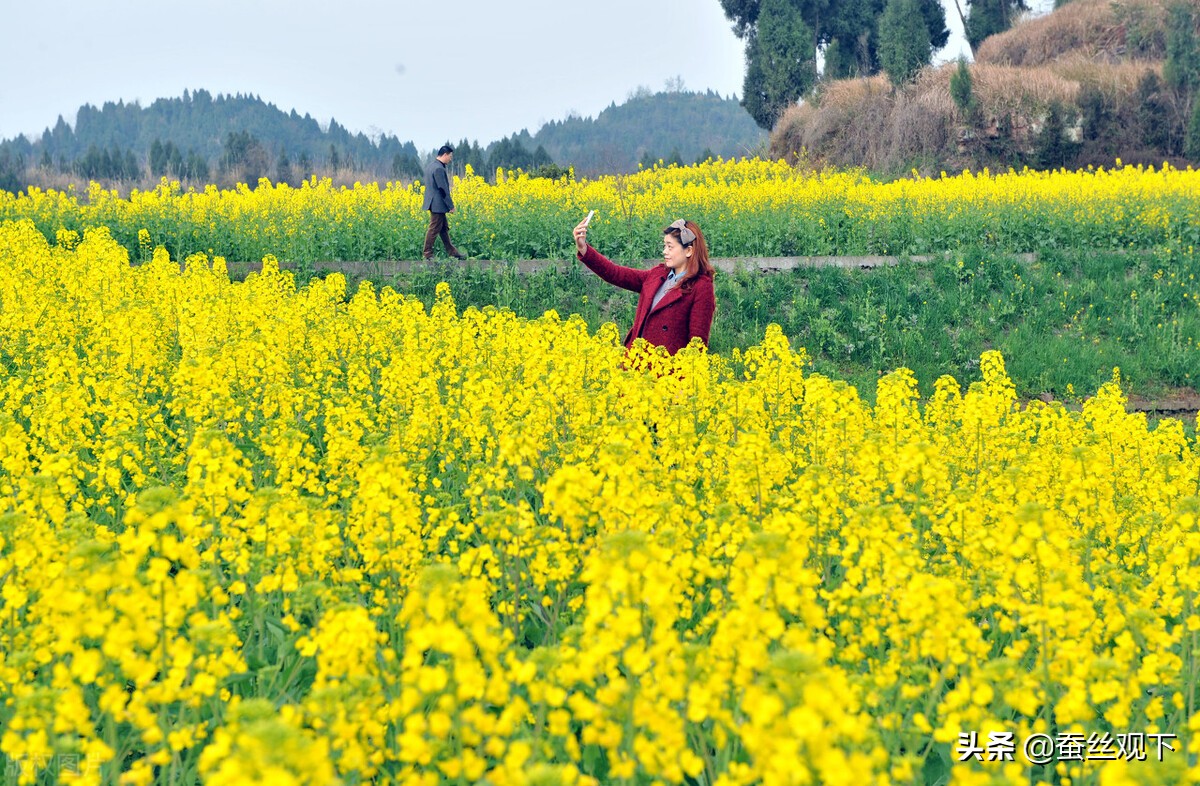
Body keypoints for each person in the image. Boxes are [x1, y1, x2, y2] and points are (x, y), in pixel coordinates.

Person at [572, 216, 716, 354]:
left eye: (670, 247)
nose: (664, 251)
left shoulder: (701, 287)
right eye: (664, 245)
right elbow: (615, 273)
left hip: (668, 374)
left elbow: (698, 344)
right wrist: (583, 248)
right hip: (635, 366)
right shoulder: (657, 274)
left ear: (689, 251)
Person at [422, 144, 467, 260]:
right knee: (434, 228)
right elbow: (442, 189)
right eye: (450, 156)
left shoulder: (431, 166)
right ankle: (427, 254)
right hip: (438, 204)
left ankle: (452, 252)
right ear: (445, 154)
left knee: (443, 228)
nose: (450, 159)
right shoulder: (438, 168)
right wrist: (450, 206)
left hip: (434, 202)